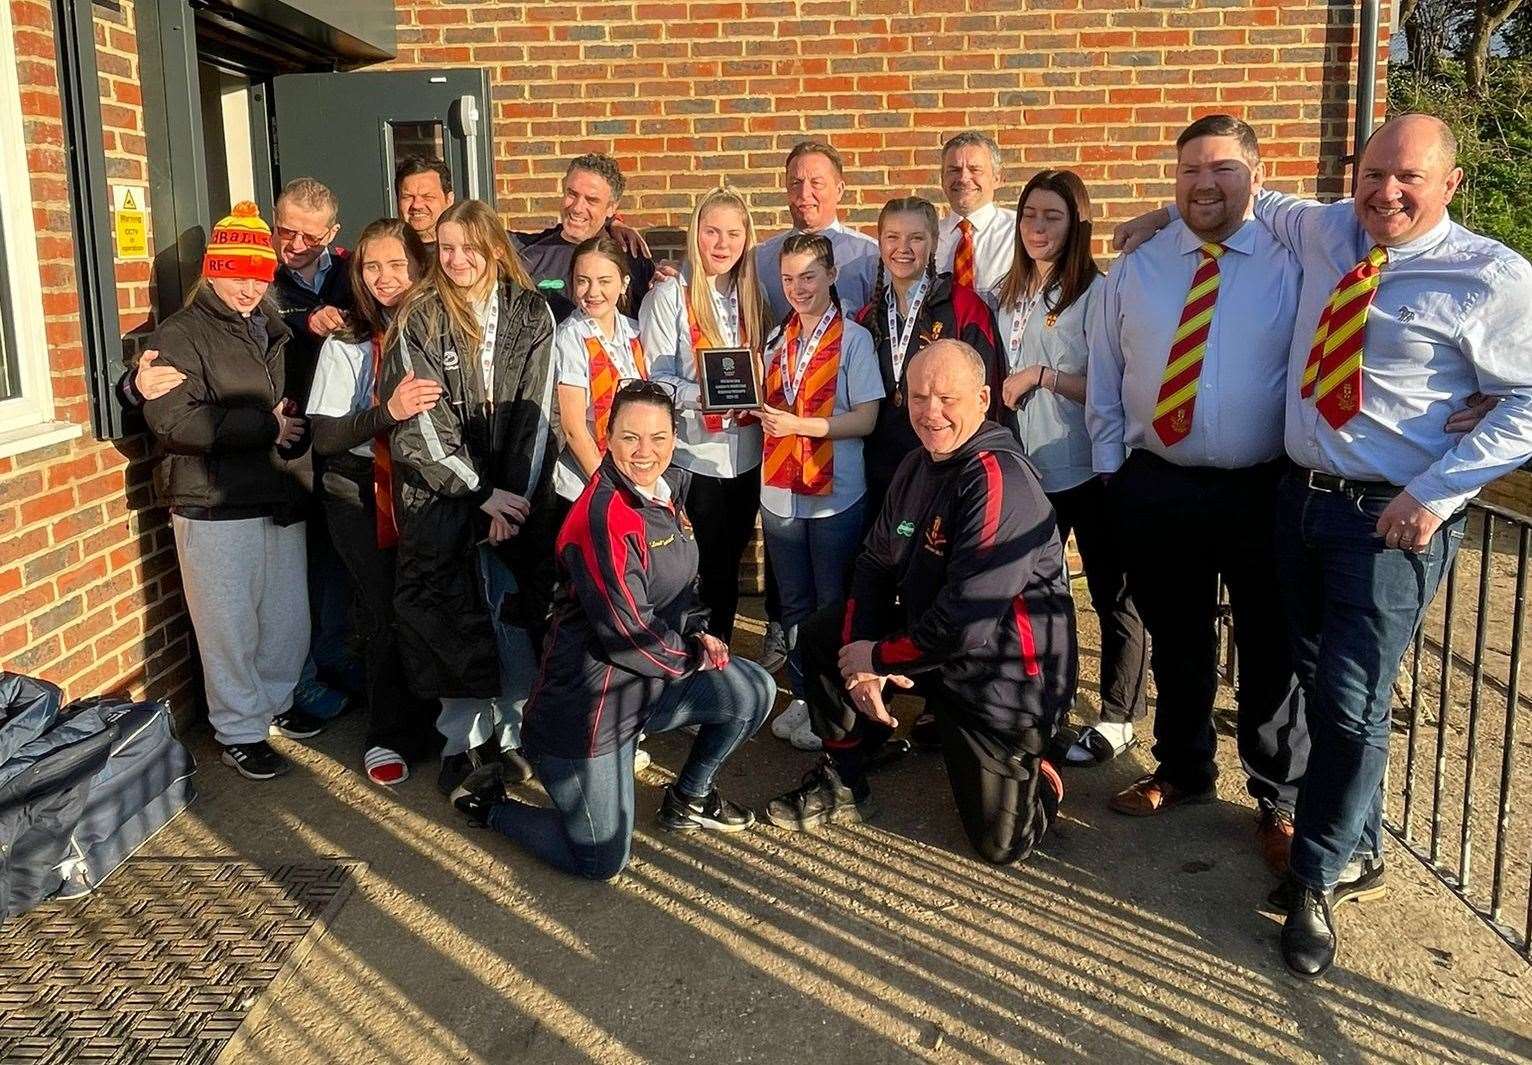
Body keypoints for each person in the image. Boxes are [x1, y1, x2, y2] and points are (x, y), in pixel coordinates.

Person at [1116, 114, 1532, 979]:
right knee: (1317, 680)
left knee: (1347, 699)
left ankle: (1314, 871)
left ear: (1450, 184)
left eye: (1410, 178)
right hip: (1300, 501)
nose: (1388, 192)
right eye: (1375, 173)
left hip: (1389, 516)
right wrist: (1156, 218)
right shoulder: (1325, 226)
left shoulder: (1489, 277)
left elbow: (1528, 396)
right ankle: (1354, 839)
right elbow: (1227, 195)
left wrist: (1437, 488)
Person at [1086, 116, 1307, 876]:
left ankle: (1278, 795)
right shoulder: (1138, 267)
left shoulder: (1293, 257)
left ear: (1257, 172)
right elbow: (1107, 372)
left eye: (1222, 168)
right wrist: (1114, 469)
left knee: (1269, 645)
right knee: (1177, 639)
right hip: (1157, 485)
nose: (1203, 182)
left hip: (1260, 488)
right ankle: (1182, 767)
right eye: (1188, 169)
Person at [763, 340, 1074, 866]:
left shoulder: (998, 478)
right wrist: (862, 660)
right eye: (918, 396)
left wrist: (879, 659)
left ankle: (1036, 766)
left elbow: (967, 625)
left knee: (1001, 846)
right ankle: (847, 772)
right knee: (824, 634)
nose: (931, 412)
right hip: (936, 645)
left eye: (947, 398)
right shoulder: (914, 465)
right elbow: (874, 566)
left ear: (983, 399)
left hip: (1003, 677)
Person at [452, 382, 777, 880]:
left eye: (658, 437)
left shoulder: (665, 492)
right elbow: (630, 635)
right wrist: (693, 654)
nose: (645, 452)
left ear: (674, 438)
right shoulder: (603, 516)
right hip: (587, 714)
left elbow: (678, 591)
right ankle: (488, 804)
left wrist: (701, 632)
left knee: (755, 688)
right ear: (607, 437)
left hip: (643, 692)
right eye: (630, 438)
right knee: (603, 860)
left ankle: (689, 798)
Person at [382, 199, 560, 795]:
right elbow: (419, 426)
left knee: (511, 615)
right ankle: (461, 741)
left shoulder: (530, 311)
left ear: (493, 247)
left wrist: (514, 499)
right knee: (450, 617)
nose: (457, 259)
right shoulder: (420, 316)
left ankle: (508, 736)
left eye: (469, 247)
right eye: (446, 247)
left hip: (513, 501)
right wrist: (479, 492)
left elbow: (536, 414)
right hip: (441, 497)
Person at [141, 202, 313, 781]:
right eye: (235, 272)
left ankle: (274, 707)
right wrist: (269, 426)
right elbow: (175, 423)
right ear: (212, 270)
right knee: (228, 627)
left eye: (258, 274)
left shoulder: (271, 328)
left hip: (272, 494)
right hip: (211, 504)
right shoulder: (181, 333)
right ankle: (239, 730)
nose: (247, 286)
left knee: (285, 621)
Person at [995, 170, 1148, 766]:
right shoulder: (1011, 291)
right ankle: (1045, 698)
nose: (1037, 226)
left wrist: (1042, 377)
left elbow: (1117, 386)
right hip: (1029, 470)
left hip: (1091, 468)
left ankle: (1117, 716)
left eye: (1052, 216)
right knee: (1035, 593)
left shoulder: (1097, 292)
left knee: (1114, 594)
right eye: (1030, 214)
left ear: (1075, 224)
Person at [305, 218, 443, 786]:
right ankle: (387, 731)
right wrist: (389, 410)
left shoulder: (441, 331)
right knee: (383, 608)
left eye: (396, 264)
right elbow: (326, 436)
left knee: (430, 603)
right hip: (358, 490)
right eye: (371, 266)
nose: (385, 278)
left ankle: (441, 722)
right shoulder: (347, 341)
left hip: (427, 485)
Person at [757, 233, 882, 717]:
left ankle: (833, 701)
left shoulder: (855, 339)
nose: (798, 288)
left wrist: (800, 427)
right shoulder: (774, 339)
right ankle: (805, 696)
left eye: (809, 276)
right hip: (779, 491)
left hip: (836, 494)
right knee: (792, 604)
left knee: (831, 604)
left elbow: (867, 419)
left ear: (832, 275)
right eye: (788, 278)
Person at [642, 184, 772, 643]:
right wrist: (707, 395)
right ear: (696, 233)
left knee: (727, 568)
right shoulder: (669, 296)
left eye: (733, 234)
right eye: (712, 232)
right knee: (690, 570)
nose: (722, 244)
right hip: (693, 455)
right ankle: (683, 664)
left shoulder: (756, 294)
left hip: (747, 453)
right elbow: (654, 381)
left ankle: (719, 660)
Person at [857, 196, 1004, 521]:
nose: (902, 248)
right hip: (882, 475)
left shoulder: (965, 307)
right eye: (892, 237)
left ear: (934, 242)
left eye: (916, 238)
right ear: (880, 242)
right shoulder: (868, 317)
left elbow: (986, 398)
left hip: (947, 469)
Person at [554, 234, 648, 506]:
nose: (593, 292)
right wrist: (610, 488)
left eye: (604, 281)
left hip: (633, 478)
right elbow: (573, 428)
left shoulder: (635, 331)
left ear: (624, 283)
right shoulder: (571, 337)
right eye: (583, 281)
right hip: (590, 487)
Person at [512, 153, 656, 320]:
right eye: (572, 194)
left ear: (611, 207)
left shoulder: (631, 258)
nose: (577, 208)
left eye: (591, 200)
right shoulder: (528, 255)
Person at [754, 141, 880, 320]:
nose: (804, 193)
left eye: (816, 183)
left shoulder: (871, 258)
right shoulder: (759, 261)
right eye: (796, 183)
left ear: (839, 190)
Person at [936, 131, 1016, 308]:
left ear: (997, 178)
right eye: (954, 170)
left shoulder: (1020, 234)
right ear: (942, 179)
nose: (964, 178)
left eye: (975, 169)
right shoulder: (927, 237)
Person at [395, 155, 454, 246]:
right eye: (408, 197)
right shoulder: (385, 253)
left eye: (427, 196)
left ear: (449, 200)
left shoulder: (465, 252)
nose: (416, 205)